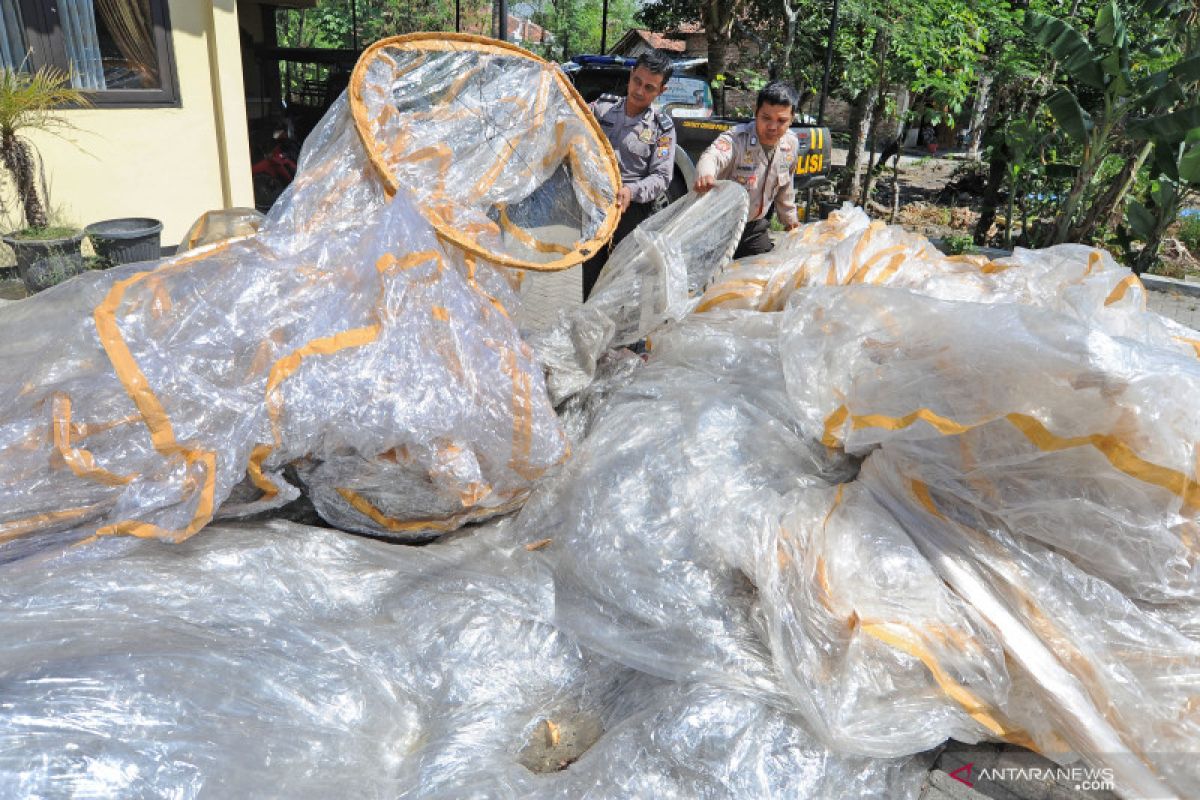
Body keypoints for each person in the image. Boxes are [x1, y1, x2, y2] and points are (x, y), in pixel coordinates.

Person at [581, 50, 677, 300]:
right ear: (631, 74)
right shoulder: (601, 109)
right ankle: (590, 337)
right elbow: (571, 118)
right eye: (637, 81)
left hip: (633, 214)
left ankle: (624, 340)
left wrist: (631, 192)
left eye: (649, 87)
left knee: (625, 289)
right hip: (598, 209)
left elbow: (661, 177)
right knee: (592, 282)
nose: (639, 91)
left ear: (661, 91)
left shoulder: (662, 128)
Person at [692, 81, 801, 259]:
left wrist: (791, 222)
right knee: (712, 282)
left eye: (781, 121)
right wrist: (705, 174)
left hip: (754, 229)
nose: (773, 127)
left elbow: (785, 187)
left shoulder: (791, 144)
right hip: (719, 228)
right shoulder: (737, 139)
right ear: (756, 112)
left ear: (791, 119)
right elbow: (712, 156)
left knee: (762, 275)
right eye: (766, 118)